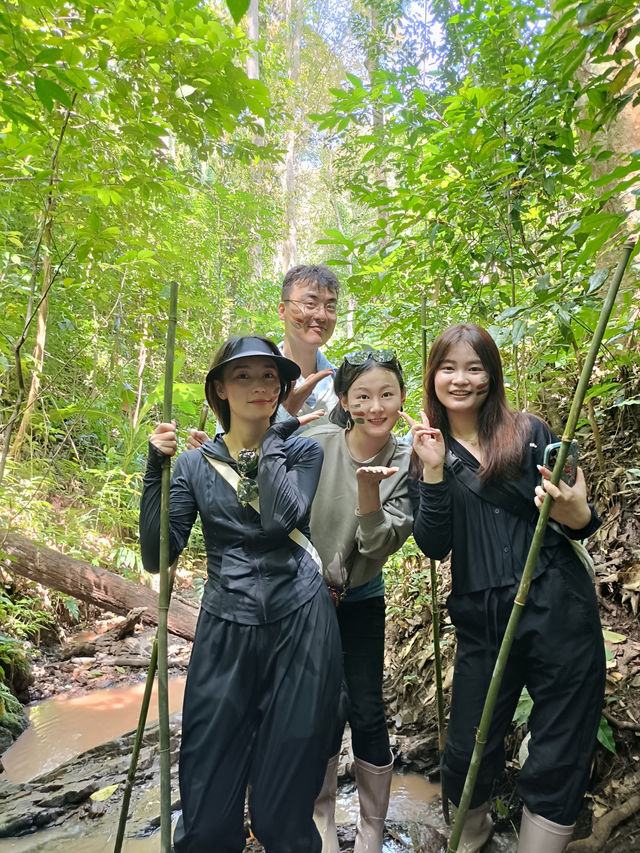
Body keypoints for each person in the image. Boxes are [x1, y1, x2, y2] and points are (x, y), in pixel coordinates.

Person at [404, 324, 605, 853]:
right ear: (433, 376)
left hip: (558, 604)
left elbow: (580, 520)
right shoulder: (428, 447)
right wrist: (431, 473)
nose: (461, 379)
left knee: (561, 744)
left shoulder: (528, 430)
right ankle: (473, 838)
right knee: (471, 747)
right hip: (482, 617)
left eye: (475, 368)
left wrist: (576, 509)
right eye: (449, 367)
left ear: (491, 376)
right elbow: (433, 545)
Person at [139, 335, 342, 853]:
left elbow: (280, 521)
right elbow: (157, 557)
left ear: (282, 386)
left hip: (300, 623)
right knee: (206, 823)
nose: (259, 386)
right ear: (220, 389)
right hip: (226, 626)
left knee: (281, 820)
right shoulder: (190, 466)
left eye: (269, 376)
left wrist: (272, 440)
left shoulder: (302, 450)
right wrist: (154, 472)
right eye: (243, 376)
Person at [303, 348, 413, 853]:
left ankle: (372, 824)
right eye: (362, 396)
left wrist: (369, 498)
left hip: (363, 596)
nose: (375, 406)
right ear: (344, 401)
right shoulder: (317, 440)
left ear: (402, 398)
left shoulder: (409, 458)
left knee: (367, 707)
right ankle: (321, 816)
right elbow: (256, 462)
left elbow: (379, 544)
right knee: (322, 705)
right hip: (307, 599)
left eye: (386, 394)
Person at [187, 265, 340, 450]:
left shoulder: (342, 385)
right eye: (310, 304)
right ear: (282, 310)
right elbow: (235, 458)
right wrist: (210, 454)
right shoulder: (245, 376)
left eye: (330, 306)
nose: (322, 315)